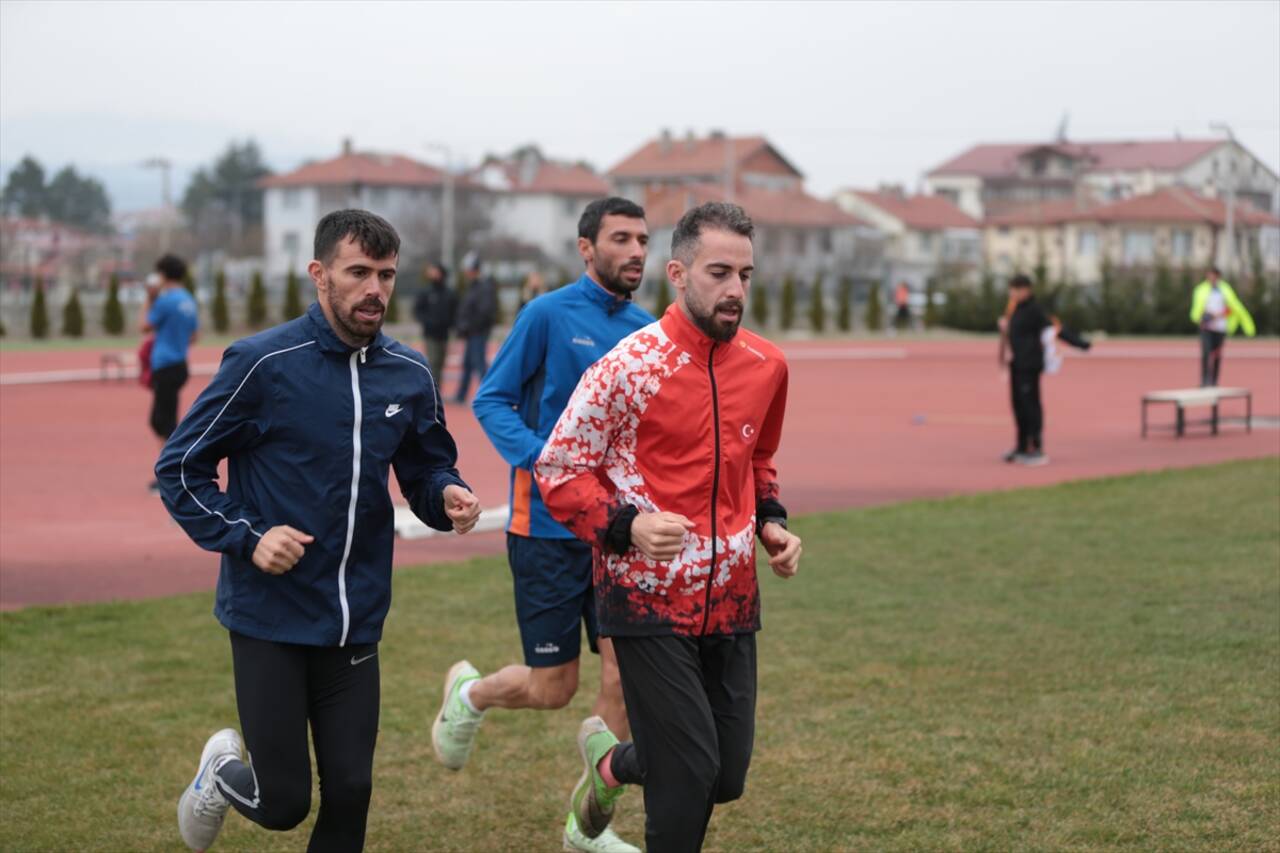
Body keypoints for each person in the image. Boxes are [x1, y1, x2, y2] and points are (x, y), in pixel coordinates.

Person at [155, 210, 482, 853]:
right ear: (319, 275)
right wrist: (250, 537)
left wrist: (446, 494)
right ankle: (222, 773)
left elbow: (425, 467)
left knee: (352, 795)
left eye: (386, 275)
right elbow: (181, 468)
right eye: (358, 272)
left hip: (356, 617)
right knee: (283, 803)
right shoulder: (263, 363)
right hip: (269, 616)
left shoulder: (409, 373)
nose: (375, 290)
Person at [533, 202, 804, 853]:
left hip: (733, 600)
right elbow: (560, 469)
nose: (735, 288)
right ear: (679, 273)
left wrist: (770, 522)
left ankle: (611, 763)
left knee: (724, 776)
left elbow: (756, 460)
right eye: (719, 272)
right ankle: (627, 775)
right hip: (645, 599)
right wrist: (626, 526)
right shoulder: (629, 367)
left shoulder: (768, 367)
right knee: (686, 778)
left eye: (745, 273)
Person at [431, 197, 652, 853]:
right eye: (621, 238)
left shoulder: (648, 329)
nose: (636, 250)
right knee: (555, 688)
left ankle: (588, 825)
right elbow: (491, 398)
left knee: (623, 680)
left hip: (617, 534)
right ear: (587, 249)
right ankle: (471, 691)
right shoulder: (547, 315)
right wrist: (543, 462)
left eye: (643, 238)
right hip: (546, 529)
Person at [997, 274, 1090, 466]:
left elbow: (1055, 329)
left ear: (1026, 290)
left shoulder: (1034, 310)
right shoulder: (1015, 309)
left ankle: (1036, 447)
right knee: (1019, 406)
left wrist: (1080, 343)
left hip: (1029, 365)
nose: (1011, 293)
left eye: (1015, 289)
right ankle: (1021, 445)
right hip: (1016, 363)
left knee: (1031, 405)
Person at [141, 257, 199, 493]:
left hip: (165, 365)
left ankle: (171, 475)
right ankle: (169, 471)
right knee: (163, 420)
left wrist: (149, 298)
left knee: (164, 422)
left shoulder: (164, 301)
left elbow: (144, 326)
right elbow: (194, 336)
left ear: (163, 275)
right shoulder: (188, 300)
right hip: (180, 363)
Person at [1190, 265, 1255, 387]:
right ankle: (1205, 381)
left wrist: (1221, 314)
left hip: (1220, 328)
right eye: (1209, 275)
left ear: (1218, 276)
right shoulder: (1200, 290)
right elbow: (1196, 311)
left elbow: (1234, 308)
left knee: (1217, 356)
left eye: (1214, 275)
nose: (1211, 278)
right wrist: (1202, 317)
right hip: (1206, 328)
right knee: (1206, 353)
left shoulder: (1225, 290)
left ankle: (1214, 381)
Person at [451, 252, 498, 402]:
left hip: (478, 332)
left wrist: (469, 325)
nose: (465, 273)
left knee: (479, 363)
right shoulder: (474, 286)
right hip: (472, 332)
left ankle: (489, 395)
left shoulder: (483, 287)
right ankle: (461, 395)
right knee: (468, 363)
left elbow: (484, 311)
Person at [412, 260, 456, 383]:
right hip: (430, 333)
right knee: (433, 362)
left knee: (441, 364)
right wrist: (428, 321)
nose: (432, 274)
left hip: (444, 334)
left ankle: (437, 390)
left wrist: (452, 324)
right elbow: (417, 310)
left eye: (435, 271)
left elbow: (455, 311)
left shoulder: (449, 293)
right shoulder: (426, 292)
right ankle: (432, 391)